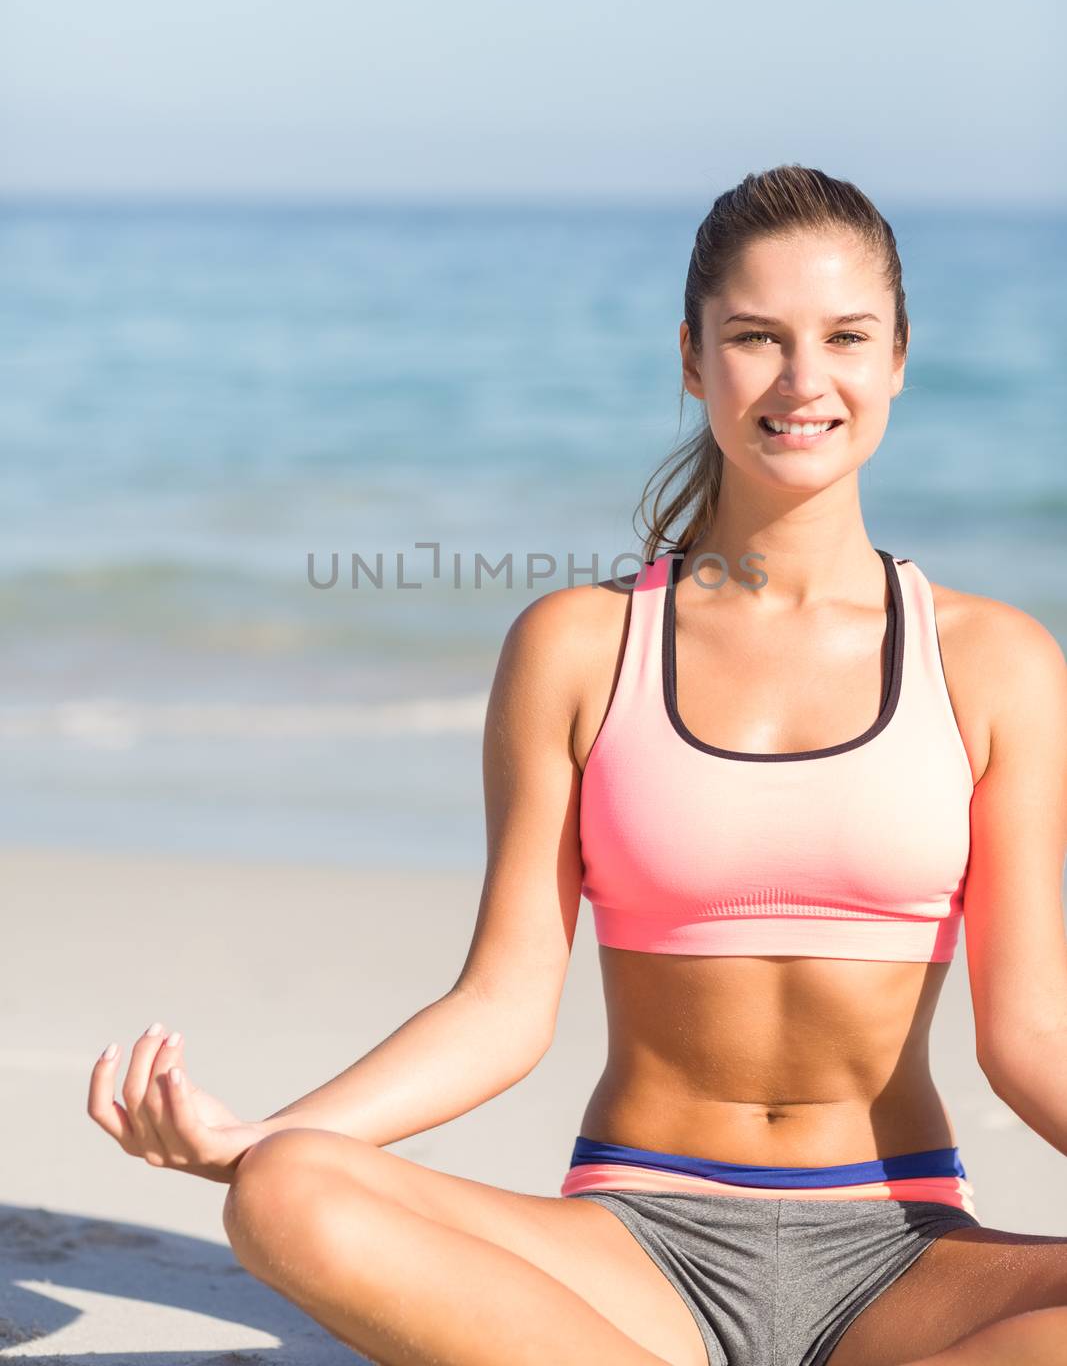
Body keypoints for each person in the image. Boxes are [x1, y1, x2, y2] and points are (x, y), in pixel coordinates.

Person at [88, 165, 1067, 1366]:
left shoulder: (994, 663)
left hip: (901, 1249)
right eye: (754, 338)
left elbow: (1026, 1035)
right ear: (691, 358)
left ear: (898, 357)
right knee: (288, 1192)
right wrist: (258, 1134)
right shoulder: (577, 648)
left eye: (843, 338)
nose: (802, 381)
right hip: (626, 1249)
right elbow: (500, 1006)